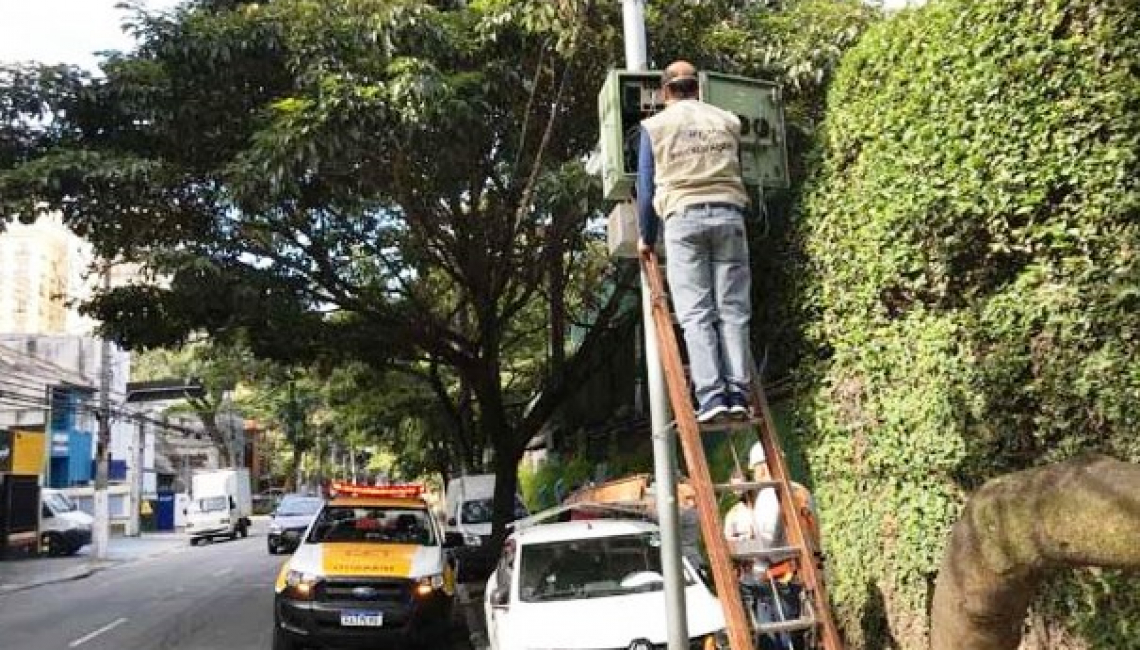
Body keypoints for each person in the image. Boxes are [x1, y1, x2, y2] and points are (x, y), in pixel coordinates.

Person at [637, 59, 753, 423]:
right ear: (699, 87)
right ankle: (738, 393)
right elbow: (740, 167)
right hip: (730, 214)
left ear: (665, 91)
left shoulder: (654, 126)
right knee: (733, 310)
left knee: (695, 313)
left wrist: (646, 236)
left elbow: (645, 184)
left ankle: (712, 396)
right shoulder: (728, 120)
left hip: (683, 219)